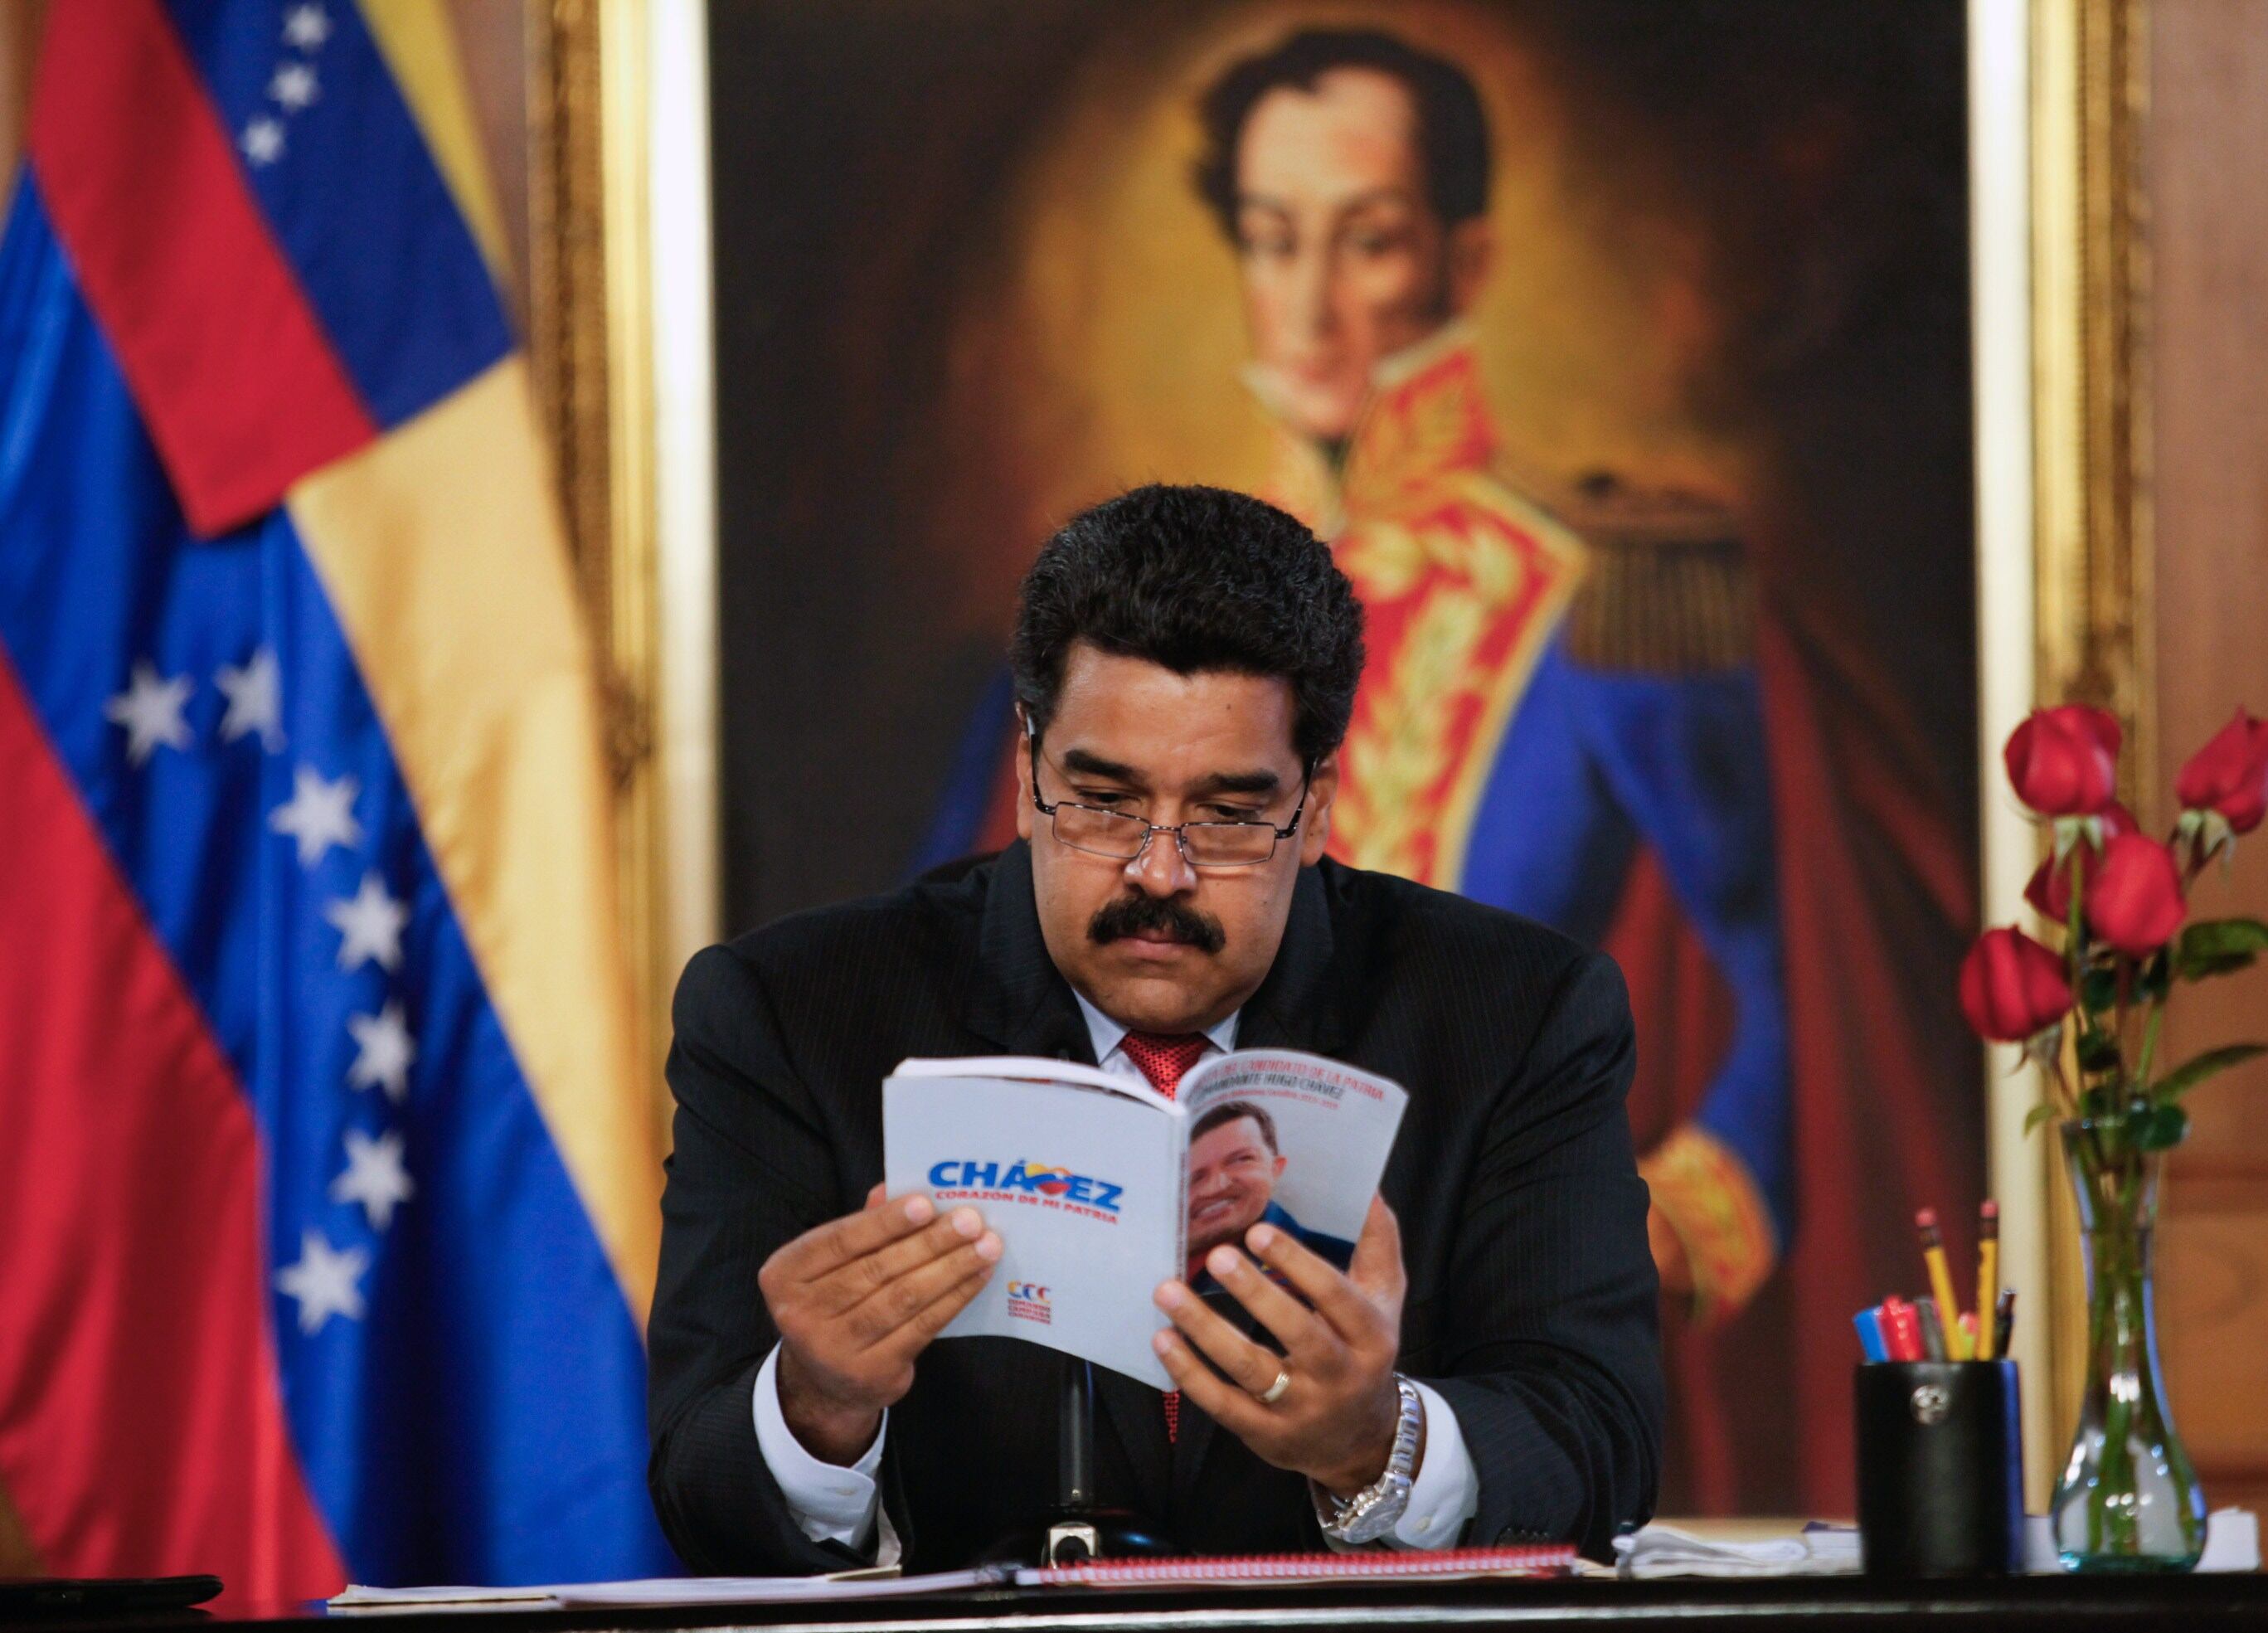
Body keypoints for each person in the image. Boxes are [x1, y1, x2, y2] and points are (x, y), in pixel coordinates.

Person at [918, 27, 1979, 1512]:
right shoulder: (1107, 632)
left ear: (1460, 261)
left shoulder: (1606, 607)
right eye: (1274, 238)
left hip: (1467, 1373)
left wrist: (1628, 1252)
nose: (1310, 299)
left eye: (1367, 242)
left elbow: (1790, 997)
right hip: (1117, 1382)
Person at [649, 484, 1661, 1570]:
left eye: (1227, 816)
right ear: (1030, 771)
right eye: (1104, 801)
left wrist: (1378, 1442)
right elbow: (696, 1487)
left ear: (1316, 804)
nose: (1159, 872)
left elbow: (1600, 1445)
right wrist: (816, 1407)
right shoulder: (792, 1014)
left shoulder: (1514, 1015)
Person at [1183, 1100, 1349, 1281]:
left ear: (1276, 1168)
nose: (1216, 1187)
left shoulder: (1344, 1265)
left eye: (1240, 1160)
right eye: (1193, 1178)